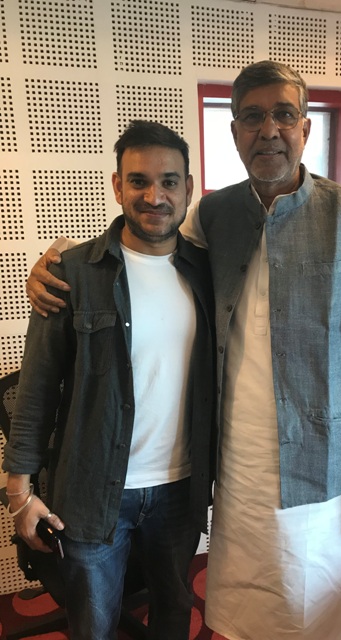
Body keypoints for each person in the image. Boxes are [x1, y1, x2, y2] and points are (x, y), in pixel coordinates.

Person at [25, 61, 341, 640]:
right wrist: (62, 260)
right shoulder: (212, 214)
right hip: (236, 466)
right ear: (234, 133)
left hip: (325, 462)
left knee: (320, 607)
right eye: (252, 117)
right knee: (249, 610)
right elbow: (149, 239)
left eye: (284, 114)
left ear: (305, 128)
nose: (269, 130)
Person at [3, 120, 216, 640]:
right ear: (118, 186)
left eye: (169, 181)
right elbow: (36, 389)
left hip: (181, 488)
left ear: (188, 188)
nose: (155, 196)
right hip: (92, 489)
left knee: (174, 611)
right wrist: (19, 493)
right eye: (139, 181)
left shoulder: (209, 273)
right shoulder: (71, 272)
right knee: (94, 625)